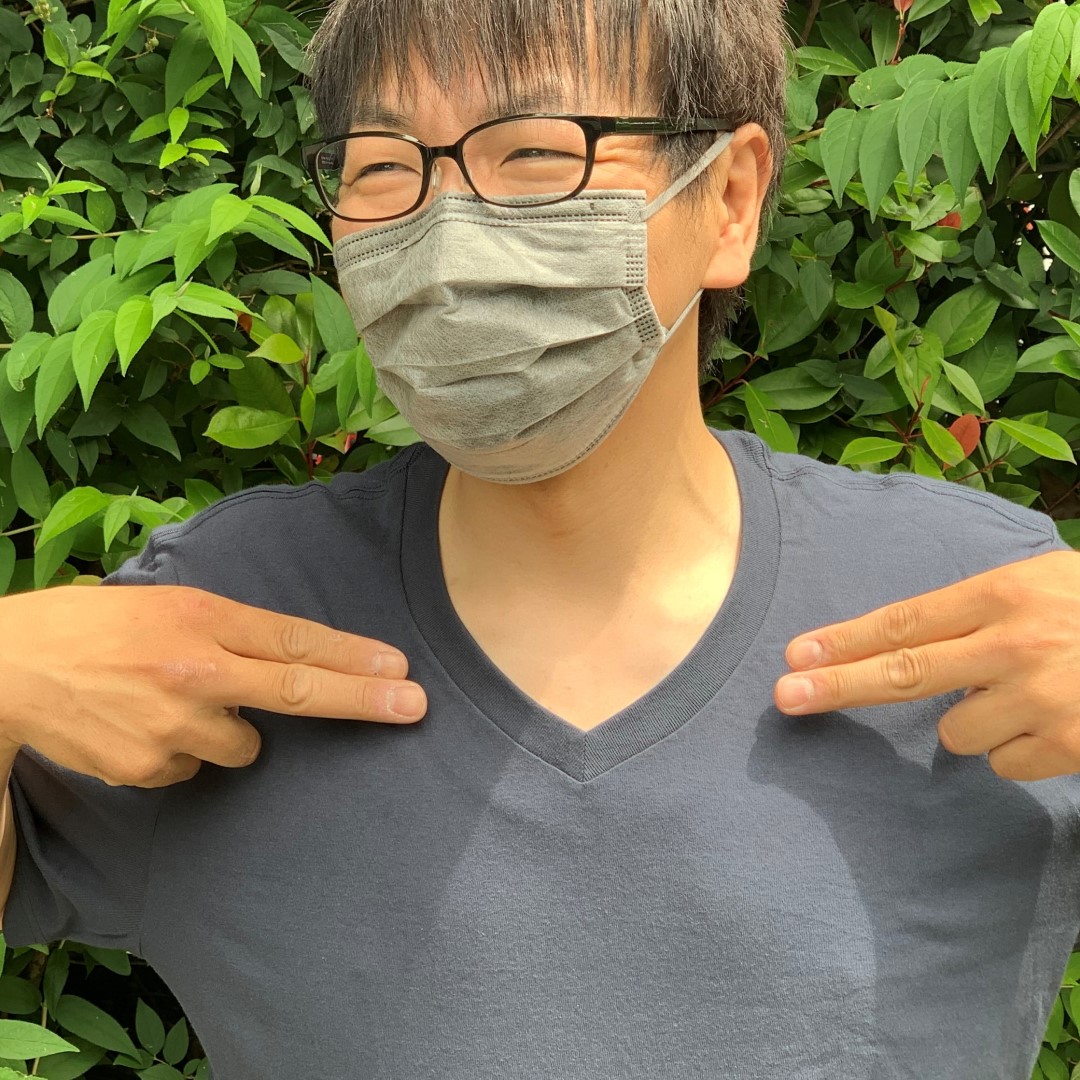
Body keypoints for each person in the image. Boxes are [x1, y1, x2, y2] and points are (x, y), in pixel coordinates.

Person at [0, 0, 1078, 1076]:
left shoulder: (997, 618)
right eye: (383, 166)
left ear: (730, 200)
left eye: (533, 152)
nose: (445, 235)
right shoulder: (219, 618)